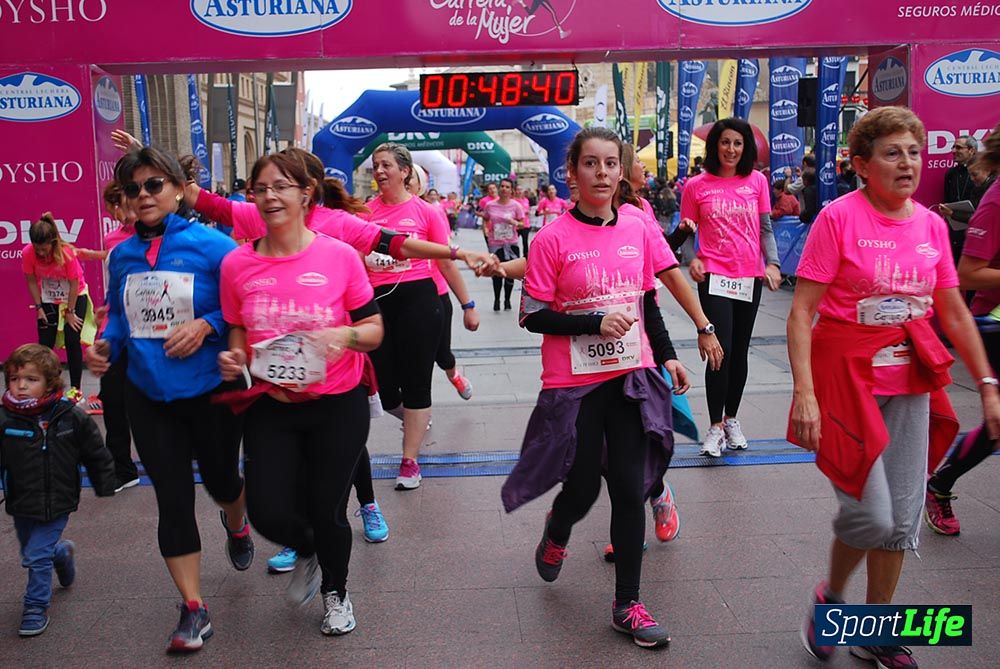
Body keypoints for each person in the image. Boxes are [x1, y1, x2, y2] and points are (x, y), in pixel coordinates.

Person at [787, 107, 1000, 669]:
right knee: (871, 515)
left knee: (902, 519)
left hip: (909, 376)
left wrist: (987, 385)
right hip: (845, 378)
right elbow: (802, 311)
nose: (906, 163)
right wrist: (804, 393)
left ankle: (873, 630)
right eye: (891, 153)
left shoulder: (930, 225)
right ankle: (831, 602)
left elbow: (952, 310)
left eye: (912, 151)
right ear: (861, 164)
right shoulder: (837, 218)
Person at [501, 127, 685, 648]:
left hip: (630, 378)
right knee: (582, 488)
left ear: (620, 173)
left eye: (610, 164)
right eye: (591, 165)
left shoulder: (636, 226)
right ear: (572, 173)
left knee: (630, 486)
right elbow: (533, 317)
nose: (602, 174)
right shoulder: (552, 238)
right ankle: (558, 530)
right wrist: (592, 321)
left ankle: (628, 603)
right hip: (574, 385)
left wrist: (668, 357)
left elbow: (647, 303)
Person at [85, 146, 254, 653]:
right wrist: (105, 345)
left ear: (179, 190)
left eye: (154, 185)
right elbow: (117, 315)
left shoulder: (214, 247)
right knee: (173, 498)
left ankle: (237, 521)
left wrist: (208, 324)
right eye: (133, 189)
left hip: (210, 394)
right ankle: (194, 608)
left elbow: (243, 308)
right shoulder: (122, 254)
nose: (143, 196)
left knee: (224, 482)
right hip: (149, 394)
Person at [217, 150, 384, 636]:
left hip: (337, 403)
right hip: (272, 405)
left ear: (305, 193)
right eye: (261, 188)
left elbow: (373, 328)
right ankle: (309, 548)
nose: (270, 197)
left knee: (326, 504)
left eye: (282, 186)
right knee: (267, 509)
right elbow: (235, 329)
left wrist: (343, 336)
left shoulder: (338, 256)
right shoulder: (236, 264)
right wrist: (235, 356)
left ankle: (337, 592)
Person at [364, 143, 462, 490]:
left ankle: (410, 461)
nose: (379, 172)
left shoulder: (426, 211)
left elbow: (445, 260)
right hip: (376, 304)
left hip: (419, 301)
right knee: (385, 389)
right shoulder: (364, 212)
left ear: (405, 171)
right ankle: (416, 419)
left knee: (417, 381)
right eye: (375, 166)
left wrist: (468, 305)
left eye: (386, 165)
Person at [1, 344, 116, 637]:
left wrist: (105, 483)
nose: (21, 385)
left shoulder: (69, 416)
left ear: (50, 382)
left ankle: (35, 606)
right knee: (32, 548)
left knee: (35, 556)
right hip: (21, 500)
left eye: (30, 379)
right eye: (15, 379)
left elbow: (95, 452)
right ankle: (61, 554)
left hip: (58, 500)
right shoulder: (6, 418)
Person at [683, 118, 781, 457]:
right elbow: (685, 232)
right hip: (714, 276)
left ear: (746, 148)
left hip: (748, 277)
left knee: (739, 350)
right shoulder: (696, 186)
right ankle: (713, 427)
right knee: (719, 351)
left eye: (738, 143)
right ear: (715, 146)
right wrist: (691, 258)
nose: (731, 149)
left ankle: (731, 419)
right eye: (725, 142)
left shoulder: (757, 181)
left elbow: (766, 229)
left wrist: (773, 263)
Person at [925, 125, 1000, 536]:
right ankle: (939, 484)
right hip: (994, 322)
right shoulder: (995, 200)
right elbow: (968, 273)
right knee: (997, 423)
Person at [21, 214, 93, 403]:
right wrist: (38, 307)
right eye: (38, 250)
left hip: (74, 296)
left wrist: (69, 312)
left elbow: (75, 284)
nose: (42, 254)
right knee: (45, 344)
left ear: (52, 243)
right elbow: (31, 281)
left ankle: (76, 391)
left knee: (71, 339)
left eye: (44, 249)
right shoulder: (28, 253)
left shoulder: (66, 253)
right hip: (48, 298)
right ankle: (48, 389)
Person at [483, 178, 526, 311]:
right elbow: (485, 219)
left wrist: (515, 223)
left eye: (507, 187)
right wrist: (485, 230)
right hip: (495, 243)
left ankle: (507, 299)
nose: (504, 189)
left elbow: (523, 223)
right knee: (496, 271)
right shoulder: (490, 205)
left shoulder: (516, 206)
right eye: (502, 186)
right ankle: (497, 299)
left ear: (511, 190)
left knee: (509, 272)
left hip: (511, 243)